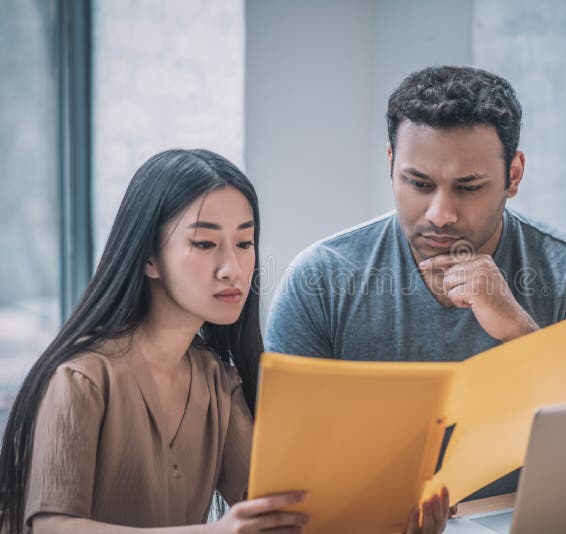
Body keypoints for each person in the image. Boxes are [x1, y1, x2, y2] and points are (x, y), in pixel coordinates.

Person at [0, 149, 450, 534]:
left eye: (245, 243)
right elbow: (51, 527)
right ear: (149, 258)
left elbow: (277, 510)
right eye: (204, 244)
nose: (232, 268)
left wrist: (394, 514)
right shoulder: (81, 378)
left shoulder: (218, 379)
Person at [265, 66, 566, 498]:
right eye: (418, 183)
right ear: (390, 164)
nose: (441, 213)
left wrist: (519, 333)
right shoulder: (320, 280)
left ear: (513, 176)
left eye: (469, 187)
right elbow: (287, 476)